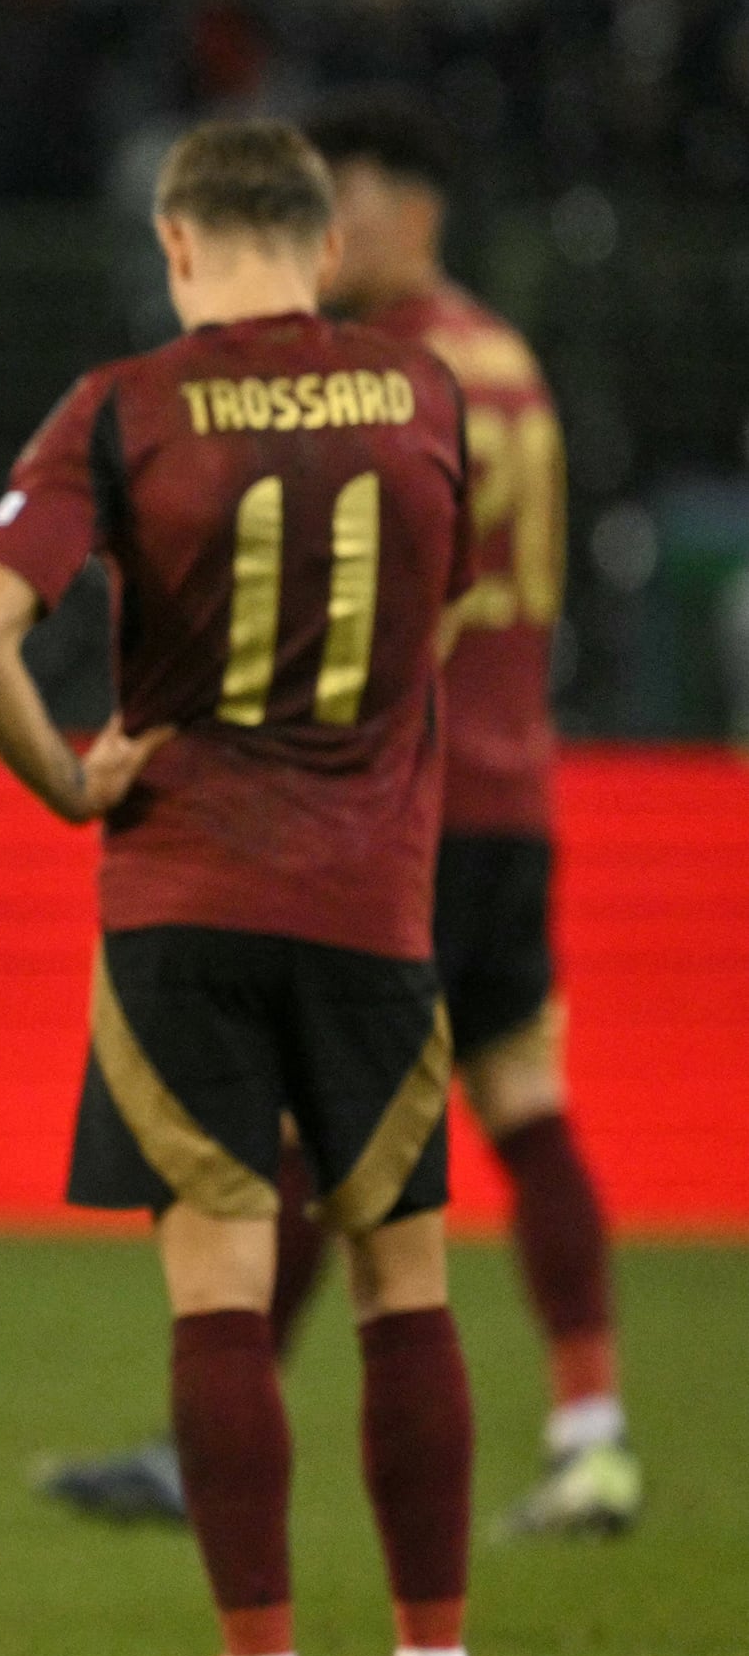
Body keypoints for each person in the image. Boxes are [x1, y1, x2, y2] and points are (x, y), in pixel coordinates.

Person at [0, 117, 524, 1656]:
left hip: (183, 890)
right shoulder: (423, 391)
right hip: (377, 901)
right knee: (407, 1280)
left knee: (219, 1272)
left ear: (178, 244)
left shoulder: (128, 405)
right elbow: (447, 605)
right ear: (326, 247)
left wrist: (68, 779)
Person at [35, 98, 638, 1544]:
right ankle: (593, 1427)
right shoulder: (509, 364)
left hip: (397, 799)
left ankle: (227, 1448)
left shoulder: (397, 380)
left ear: (415, 206)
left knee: (308, 1130)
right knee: (519, 1098)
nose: (333, 234)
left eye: (353, 201)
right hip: (518, 781)